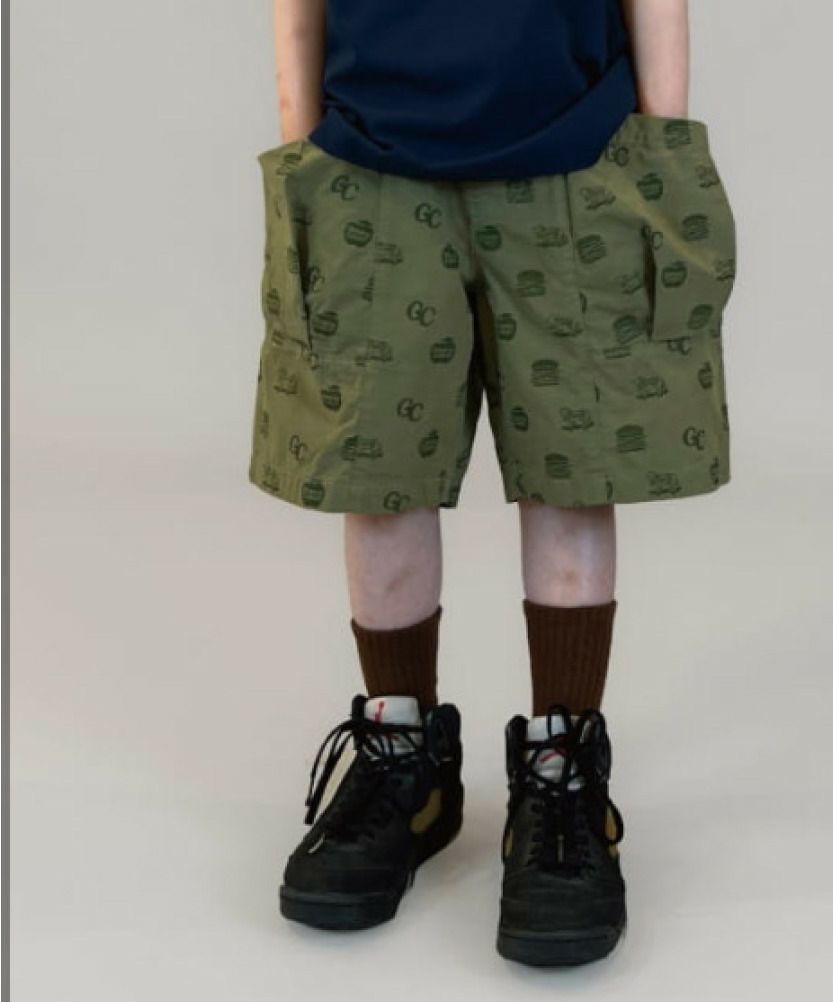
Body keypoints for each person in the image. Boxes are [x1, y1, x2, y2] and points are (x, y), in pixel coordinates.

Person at [249, 0, 736, 967]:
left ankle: (562, 766)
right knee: (380, 472)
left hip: (575, 152)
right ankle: (404, 759)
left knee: (573, 468)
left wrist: (662, 140)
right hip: (369, 158)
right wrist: (303, 143)